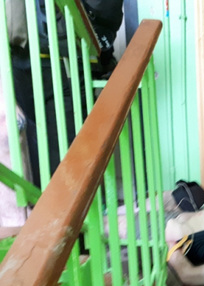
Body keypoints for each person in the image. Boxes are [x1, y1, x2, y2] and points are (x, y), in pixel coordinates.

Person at [8, 0, 124, 186]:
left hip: (64, 56)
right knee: (34, 158)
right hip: (22, 55)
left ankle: (70, 202)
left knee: (68, 164)